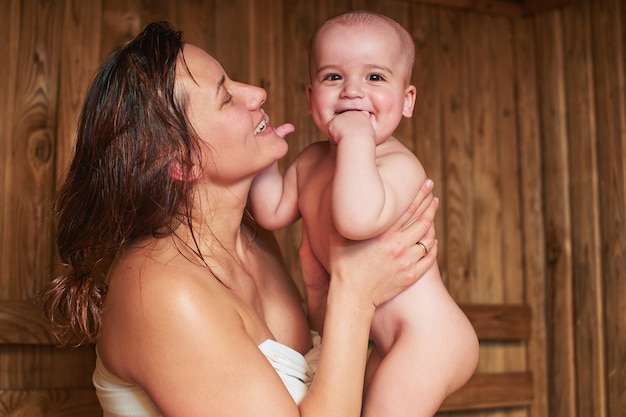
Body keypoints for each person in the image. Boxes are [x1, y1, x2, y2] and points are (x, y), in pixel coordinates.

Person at [39, 21, 442, 417]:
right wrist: (355, 295)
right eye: (226, 96)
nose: (257, 93)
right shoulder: (163, 292)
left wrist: (322, 293)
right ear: (184, 160)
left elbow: (327, 373)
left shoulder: (254, 237)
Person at [249, 10, 479, 416]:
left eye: (374, 77)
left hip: (431, 339)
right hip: (385, 341)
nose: (352, 91)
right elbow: (271, 212)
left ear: (407, 101)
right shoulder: (309, 162)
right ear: (310, 98)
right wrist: (265, 161)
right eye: (333, 77)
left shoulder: (398, 165)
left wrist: (356, 135)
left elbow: (356, 220)